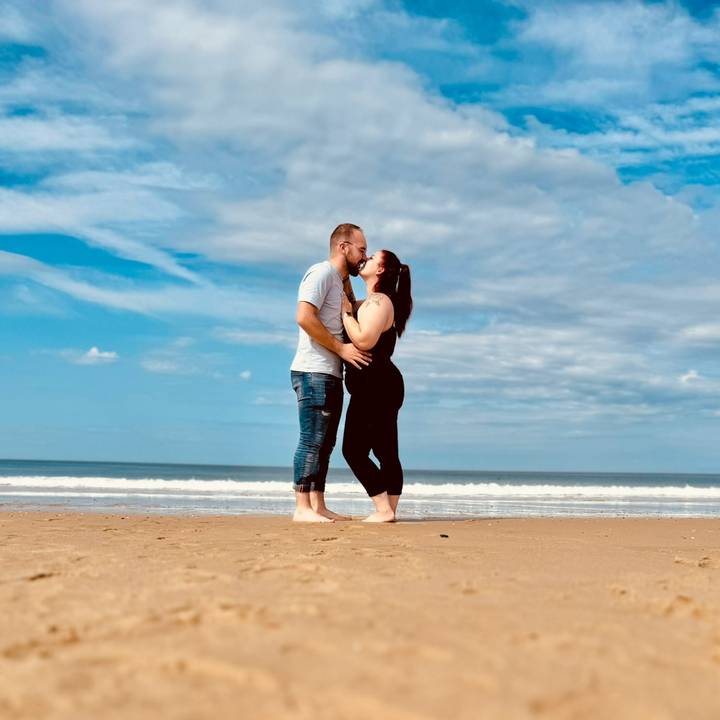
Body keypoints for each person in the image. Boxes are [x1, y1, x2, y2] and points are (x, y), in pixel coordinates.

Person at [290, 223, 371, 522]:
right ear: (343, 247)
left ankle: (318, 505)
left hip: (330, 373)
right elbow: (304, 317)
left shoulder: (339, 280)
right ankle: (302, 508)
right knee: (312, 440)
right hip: (314, 370)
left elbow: (354, 309)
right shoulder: (321, 273)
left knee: (326, 444)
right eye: (361, 249)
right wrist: (341, 349)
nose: (364, 256)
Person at [341, 249, 412, 522]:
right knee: (385, 452)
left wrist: (346, 316)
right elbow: (350, 301)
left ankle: (383, 510)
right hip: (380, 385)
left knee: (353, 451)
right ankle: (390, 510)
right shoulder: (372, 302)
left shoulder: (380, 302)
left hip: (375, 387)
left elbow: (365, 340)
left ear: (381, 269)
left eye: (372, 258)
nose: (366, 258)